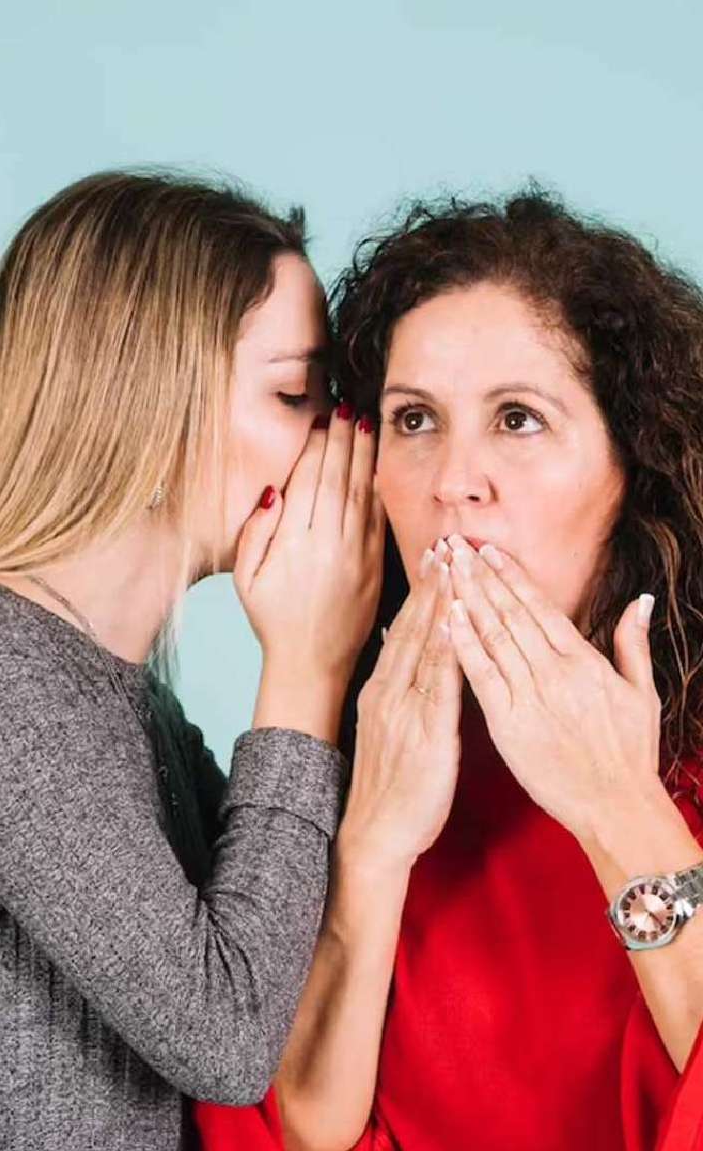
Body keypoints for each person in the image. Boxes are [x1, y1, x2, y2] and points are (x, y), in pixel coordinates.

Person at [193, 189, 703, 1151]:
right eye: (416, 419)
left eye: (518, 419)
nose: (453, 481)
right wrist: (370, 849)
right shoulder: (350, 768)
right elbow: (276, 1129)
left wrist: (620, 812)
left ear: (635, 464)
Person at [0, 168, 392, 1150]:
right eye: (295, 393)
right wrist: (307, 672)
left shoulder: (120, 695)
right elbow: (227, 1035)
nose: (336, 444)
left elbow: (276, 935)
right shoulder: (1, 686)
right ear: (144, 398)